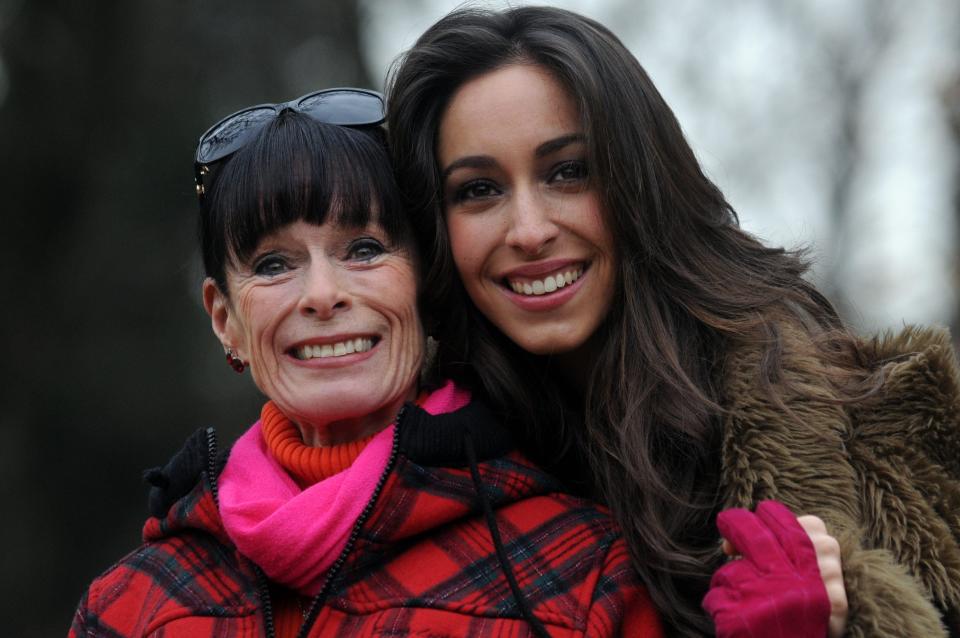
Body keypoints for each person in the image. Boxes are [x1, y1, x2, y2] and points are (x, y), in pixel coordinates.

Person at [386, 6, 960, 637]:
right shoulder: (417, 474)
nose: (528, 230)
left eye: (568, 172)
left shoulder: (881, 425)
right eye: (478, 190)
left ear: (642, 181)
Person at [69, 89, 664, 637]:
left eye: (365, 250)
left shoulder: (583, 572)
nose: (323, 294)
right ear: (226, 320)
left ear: (427, 286)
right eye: (274, 264)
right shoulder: (132, 605)